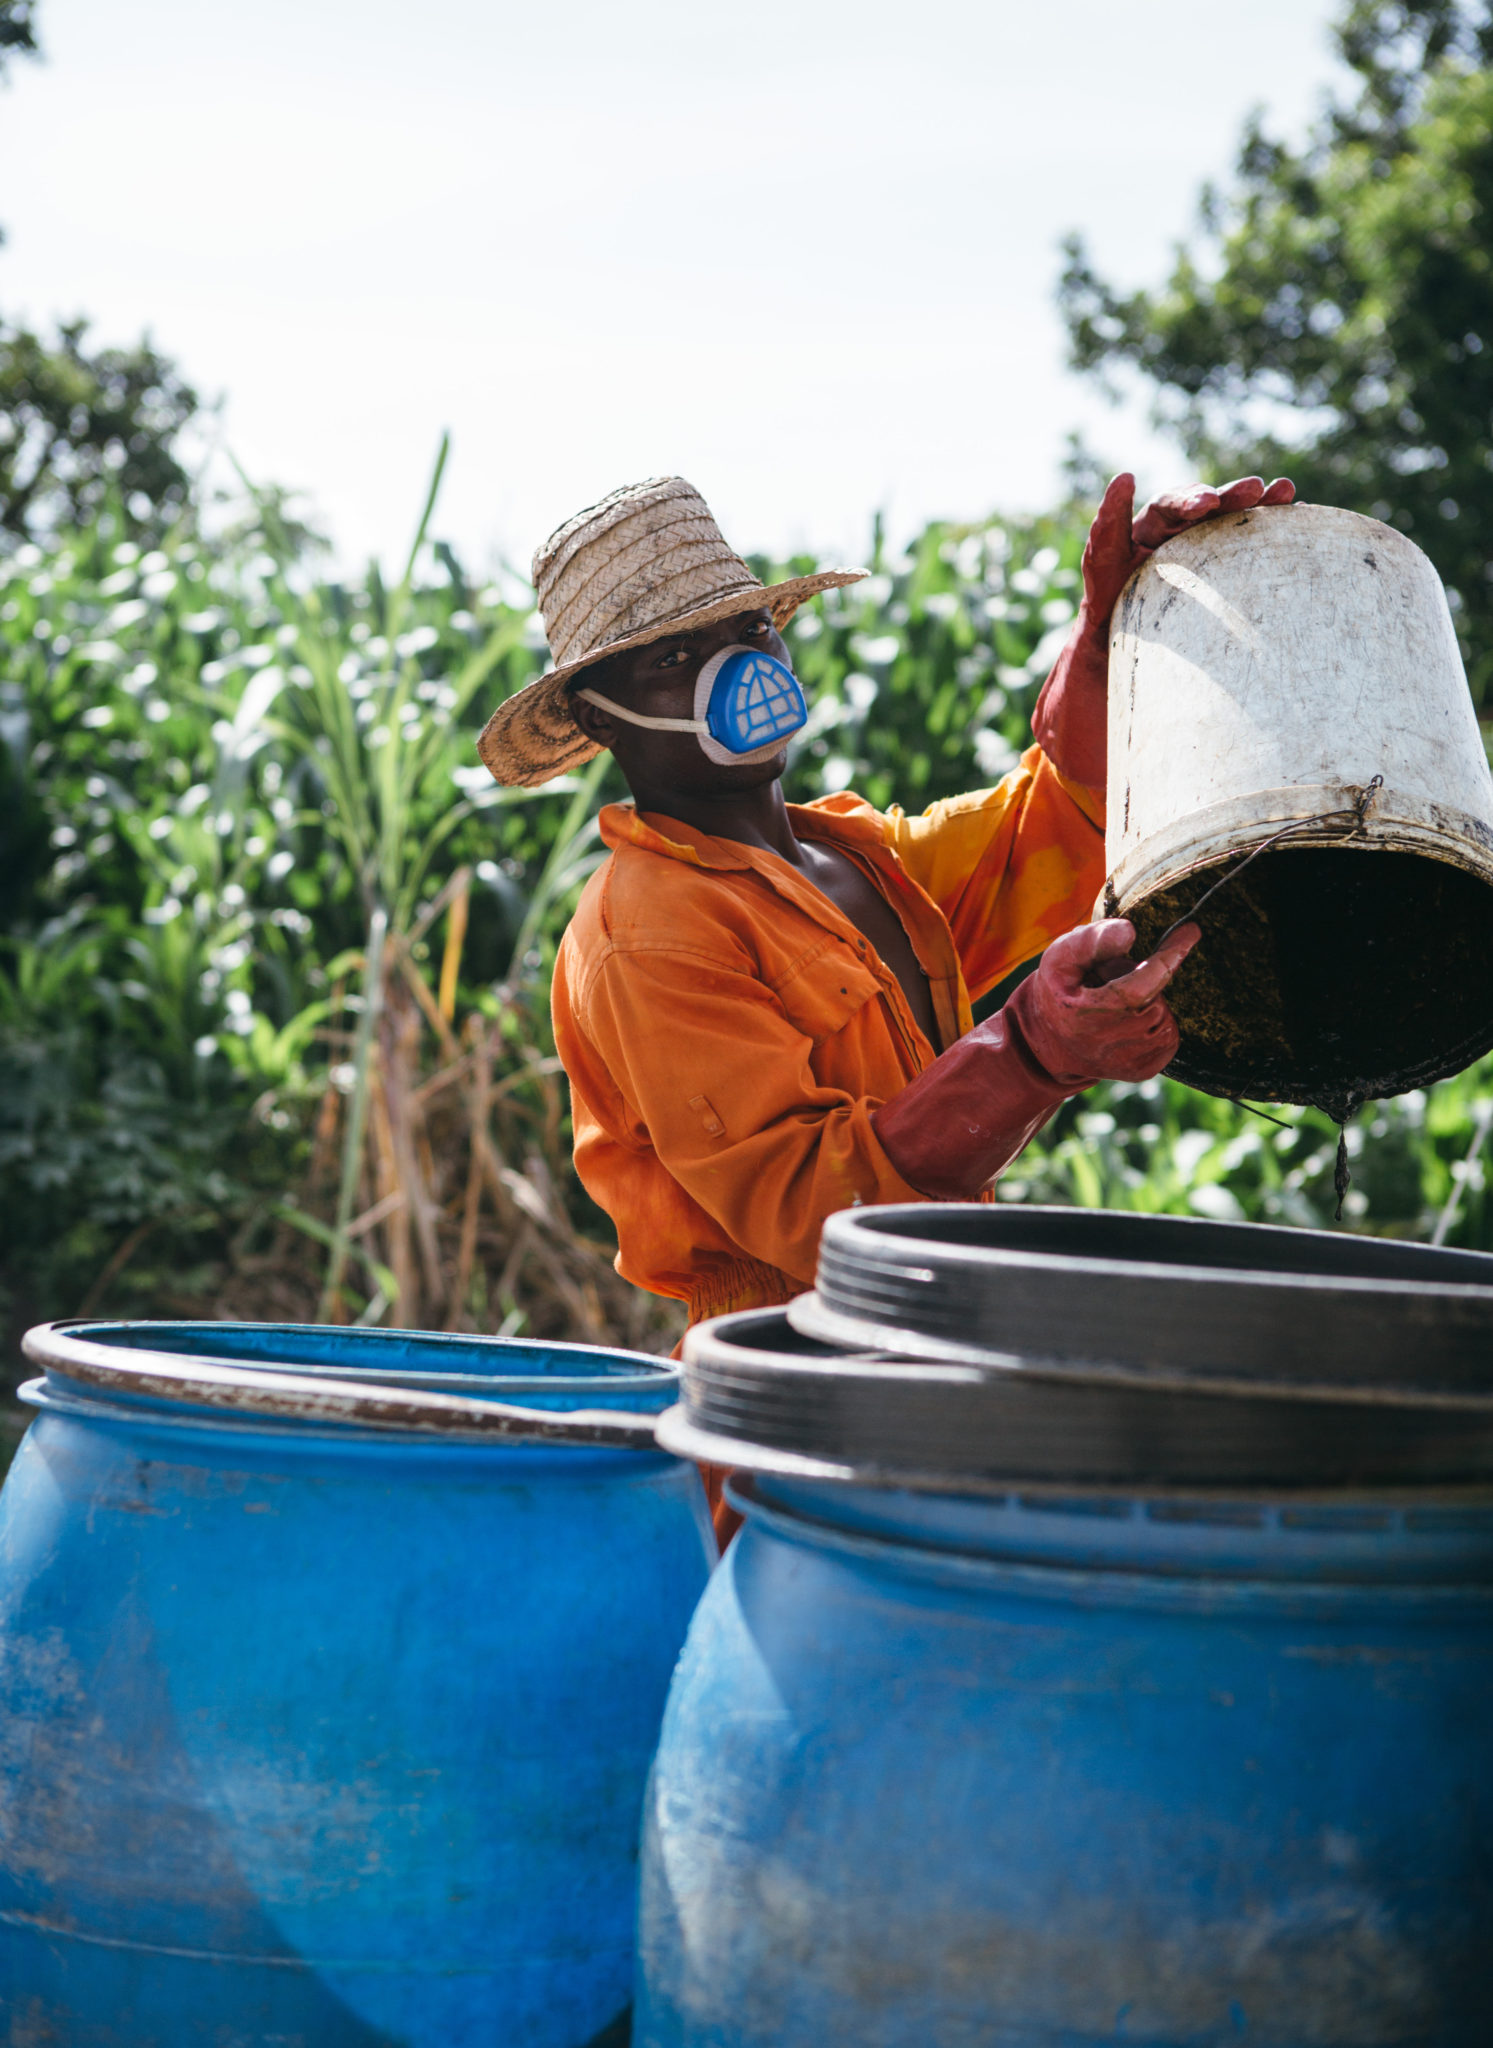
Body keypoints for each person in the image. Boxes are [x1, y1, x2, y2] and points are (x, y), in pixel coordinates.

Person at [477, 470, 1293, 1536]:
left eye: (743, 630)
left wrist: (1106, 638)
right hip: (789, 1415)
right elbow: (818, 1212)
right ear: (597, 714)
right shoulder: (647, 927)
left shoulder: (853, 854)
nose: (734, 667)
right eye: (674, 657)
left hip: (937, 1376)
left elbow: (1046, 823)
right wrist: (1031, 1055)